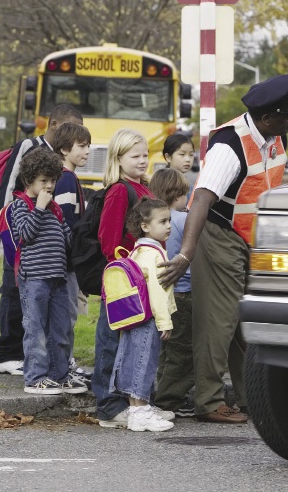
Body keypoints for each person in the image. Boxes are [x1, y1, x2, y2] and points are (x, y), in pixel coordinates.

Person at [158, 74, 288, 423]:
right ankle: (208, 402)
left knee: (250, 320)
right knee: (218, 320)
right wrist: (186, 254)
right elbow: (200, 201)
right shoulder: (229, 145)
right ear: (268, 118)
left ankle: (251, 395)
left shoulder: (273, 136)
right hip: (219, 234)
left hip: (253, 239)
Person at [0, 104, 83, 376]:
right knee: (13, 289)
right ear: (54, 126)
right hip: (19, 231)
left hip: (43, 240)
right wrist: (4, 231)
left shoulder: (58, 161)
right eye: (69, 127)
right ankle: (5, 353)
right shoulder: (30, 146)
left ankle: (33, 356)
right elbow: (10, 185)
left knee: (37, 305)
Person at [91, 128, 162, 428]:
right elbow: (108, 240)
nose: (143, 161)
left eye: (145, 155)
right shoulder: (120, 190)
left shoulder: (144, 188)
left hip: (143, 282)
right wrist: (133, 267)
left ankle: (135, 403)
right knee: (110, 341)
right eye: (135, 156)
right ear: (118, 159)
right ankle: (108, 407)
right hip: (124, 283)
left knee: (131, 344)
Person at [11, 147, 87, 395]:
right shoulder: (21, 205)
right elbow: (25, 234)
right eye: (43, 181)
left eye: (53, 180)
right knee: (36, 330)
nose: (49, 186)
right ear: (28, 180)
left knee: (61, 329)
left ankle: (59, 374)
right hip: (34, 279)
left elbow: (66, 238)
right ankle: (35, 378)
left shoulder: (54, 208)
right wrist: (39, 208)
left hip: (58, 278)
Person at [109, 197, 176, 432]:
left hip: (133, 316)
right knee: (143, 364)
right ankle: (140, 414)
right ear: (145, 226)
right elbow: (157, 292)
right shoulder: (154, 254)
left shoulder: (137, 250)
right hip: (148, 318)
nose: (168, 225)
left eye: (169, 220)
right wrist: (164, 321)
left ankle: (138, 409)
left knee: (132, 360)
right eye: (163, 221)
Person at [149, 168, 195, 417]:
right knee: (184, 350)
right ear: (176, 194)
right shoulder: (182, 219)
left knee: (166, 349)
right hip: (184, 292)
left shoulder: (157, 221)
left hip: (163, 293)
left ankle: (160, 392)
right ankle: (170, 399)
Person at [52, 122, 92, 384]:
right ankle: (62, 368)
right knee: (65, 315)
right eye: (82, 146)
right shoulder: (66, 178)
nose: (87, 151)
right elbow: (66, 222)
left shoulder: (66, 176)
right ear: (65, 149)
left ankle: (63, 365)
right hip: (65, 263)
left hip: (63, 262)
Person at [162, 134, 195, 202]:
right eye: (182, 154)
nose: (188, 159)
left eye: (191, 155)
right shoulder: (161, 183)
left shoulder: (190, 185)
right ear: (168, 157)